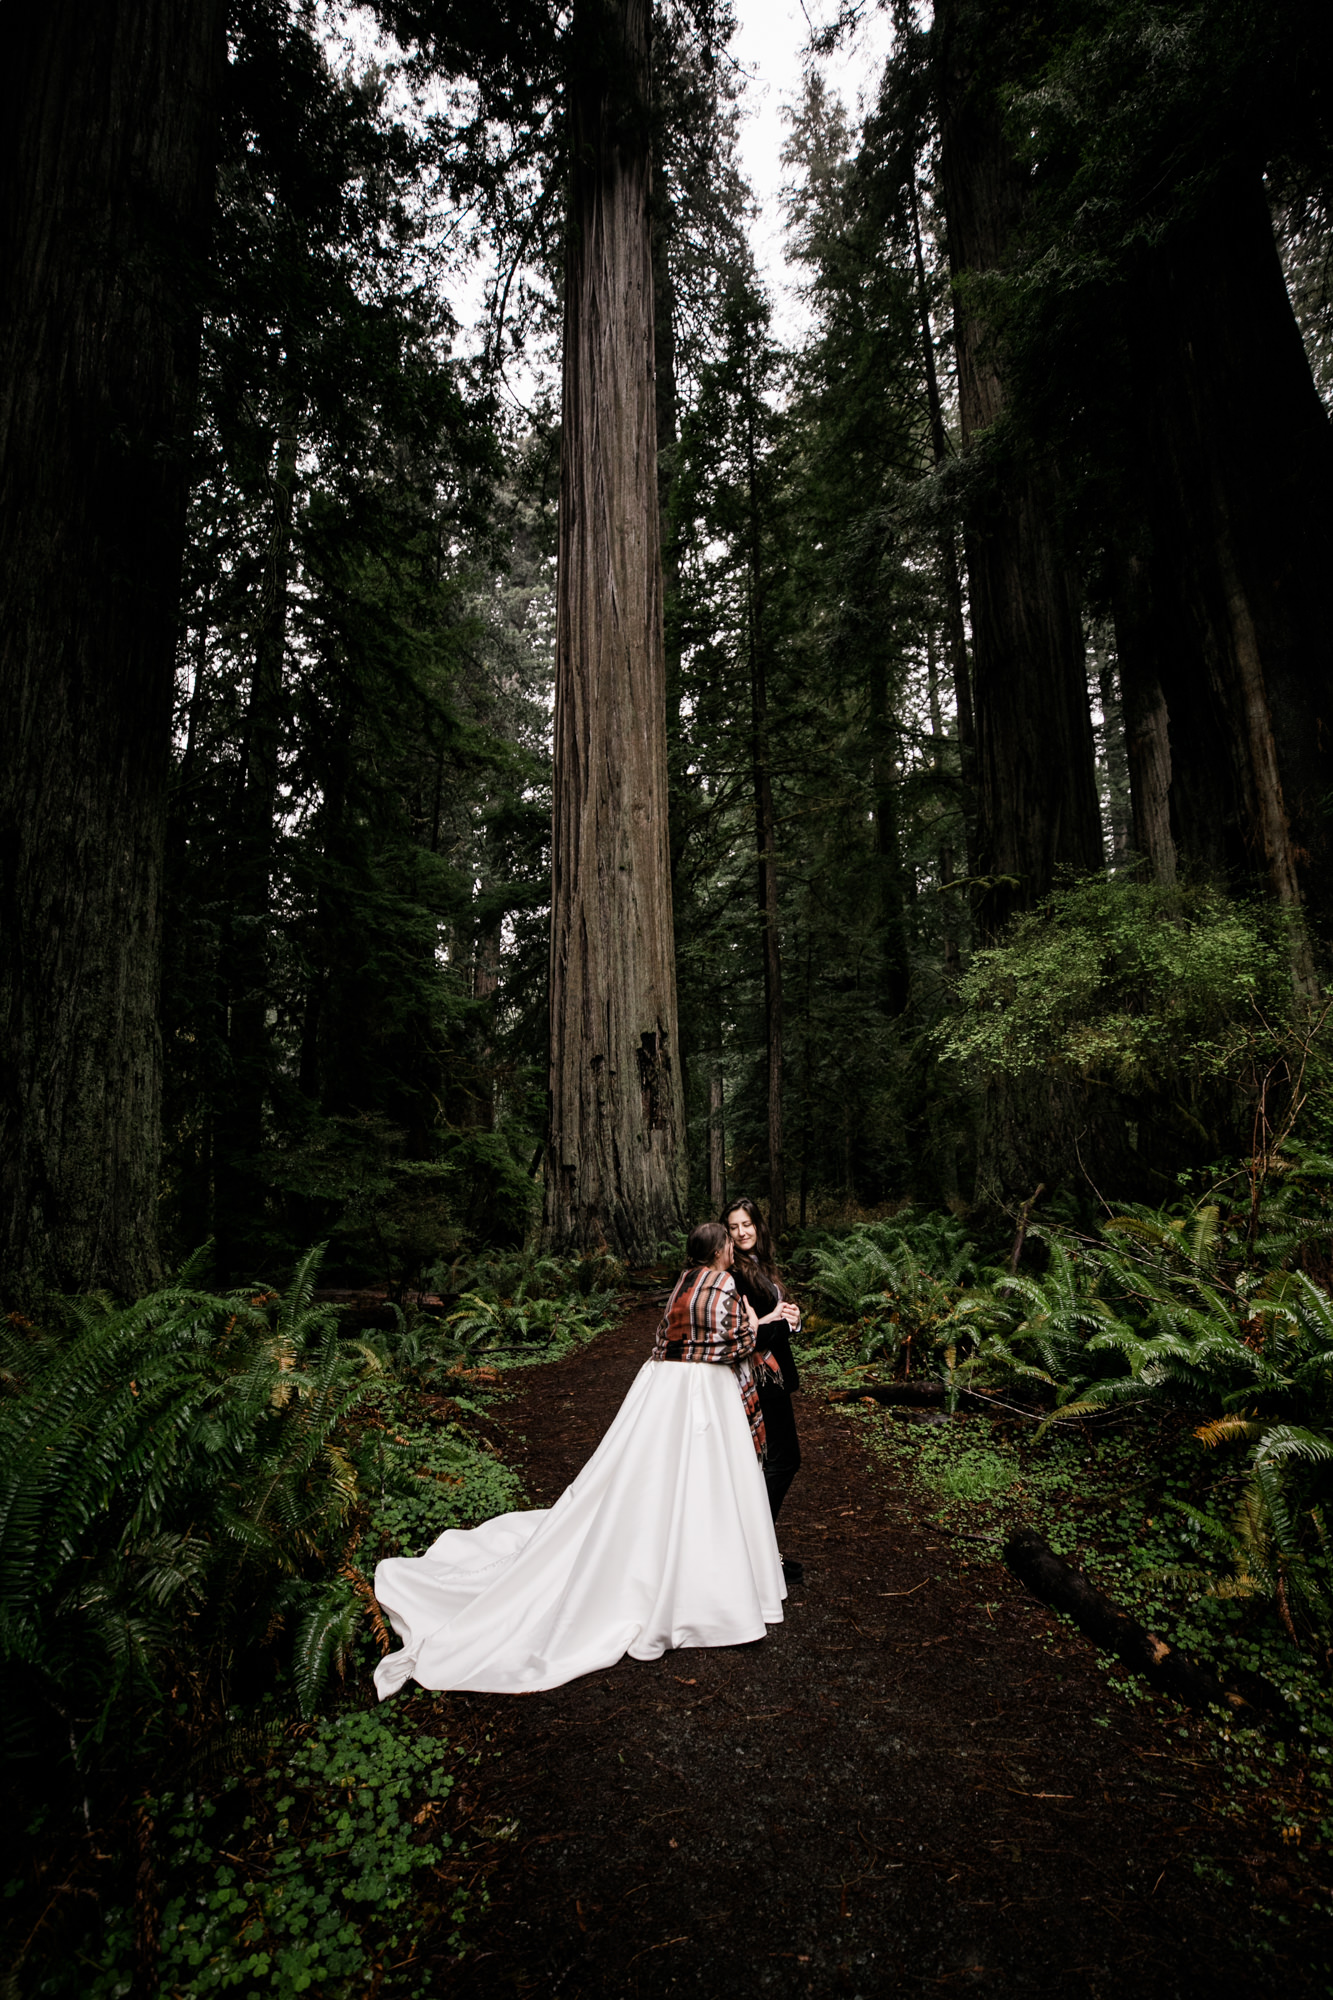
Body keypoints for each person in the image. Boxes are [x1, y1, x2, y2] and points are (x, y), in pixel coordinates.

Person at [371, 1221, 785, 1698]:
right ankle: (709, 1587)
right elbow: (734, 1344)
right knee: (710, 1482)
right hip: (705, 1393)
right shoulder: (725, 1284)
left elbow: (677, 1337)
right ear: (718, 1251)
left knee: (659, 1478)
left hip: (666, 1387)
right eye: (728, 1244)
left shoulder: (682, 1284)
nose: (734, 1249)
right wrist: (769, 1324)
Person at [723, 1197, 804, 1584]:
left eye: (747, 1224)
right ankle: (758, 1550)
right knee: (782, 1460)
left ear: (758, 1225)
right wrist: (780, 1326)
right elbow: (746, 1338)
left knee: (773, 1462)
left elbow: (772, 1320)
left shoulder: (762, 1264)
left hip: (775, 1376)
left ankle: (760, 1549)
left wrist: (792, 1319)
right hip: (761, 1378)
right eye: (734, 1227)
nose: (742, 1232)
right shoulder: (734, 1274)